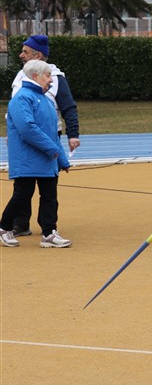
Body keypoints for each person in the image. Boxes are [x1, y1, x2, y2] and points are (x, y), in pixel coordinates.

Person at [9, 34, 80, 237]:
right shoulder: (21, 76)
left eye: (25, 51)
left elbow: (69, 108)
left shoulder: (56, 78)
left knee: (48, 186)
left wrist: (73, 134)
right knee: (23, 186)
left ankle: (48, 227)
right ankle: (20, 224)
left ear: (38, 55)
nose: (21, 55)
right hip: (23, 138)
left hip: (48, 137)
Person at [1, 59, 73, 248]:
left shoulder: (46, 100)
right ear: (35, 76)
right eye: (48, 76)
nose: (51, 80)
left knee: (50, 196)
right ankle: (4, 228)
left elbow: (53, 132)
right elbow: (27, 128)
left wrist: (62, 160)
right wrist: (52, 149)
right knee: (23, 195)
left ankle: (49, 233)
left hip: (47, 159)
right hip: (27, 159)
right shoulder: (22, 98)